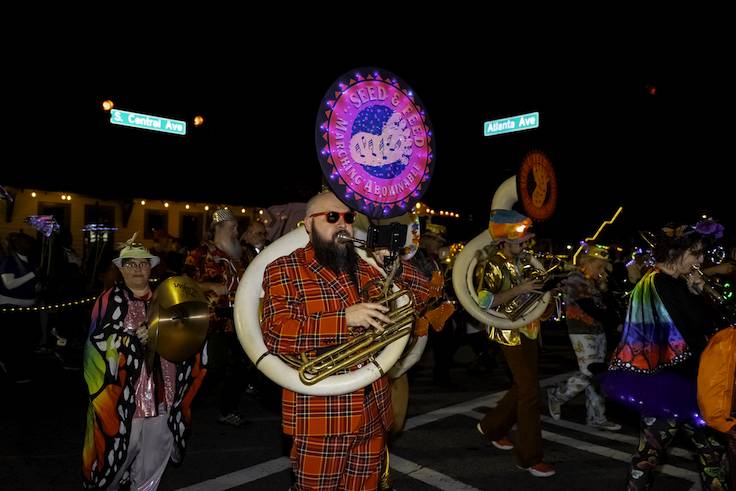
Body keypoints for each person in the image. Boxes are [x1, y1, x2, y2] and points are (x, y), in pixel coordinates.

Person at [260, 191, 430, 491]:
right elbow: (276, 333)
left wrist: (394, 266)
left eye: (349, 218)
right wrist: (344, 319)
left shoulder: (365, 265)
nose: (344, 224)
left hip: (374, 407)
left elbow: (426, 294)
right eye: (331, 217)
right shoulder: (283, 268)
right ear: (308, 225)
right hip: (322, 414)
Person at [606, 221, 729, 490]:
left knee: (706, 454)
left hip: (679, 383)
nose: (701, 260)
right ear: (676, 252)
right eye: (695, 253)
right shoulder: (662, 284)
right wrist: (699, 297)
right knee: (658, 455)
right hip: (672, 385)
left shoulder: (668, 281)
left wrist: (696, 292)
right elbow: (699, 328)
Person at [82, 234, 207, 490]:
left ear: (151, 267)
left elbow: (189, 335)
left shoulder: (167, 298)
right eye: (131, 264)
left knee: (155, 455)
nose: (138, 269)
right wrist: (129, 339)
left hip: (164, 392)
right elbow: (96, 342)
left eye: (143, 263)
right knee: (118, 455)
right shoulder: (110, 300)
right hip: (126, 398)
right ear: (120, 268)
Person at [473, 210, 556, 478]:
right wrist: (520, 290)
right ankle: (529, 458)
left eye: (525, 241)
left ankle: (491, 427)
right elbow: (484, 301)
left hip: (530, 330)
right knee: (530, 392)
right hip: (508, 333)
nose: (525, 246)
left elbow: (537, 289)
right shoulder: (492, 264)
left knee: (523, 387)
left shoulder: (524, 261)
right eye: (520, 242)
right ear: (503, 242)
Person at [184, 207, 250, 427]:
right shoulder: (200, 254)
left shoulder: (241, 255)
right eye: (232, 227)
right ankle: (184, 404)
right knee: (214, 367)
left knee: (243, 364)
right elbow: (184, 284)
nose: (236, 232)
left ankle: (227, 408)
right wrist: (209, 285)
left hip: (237, 318)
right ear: (218, 228)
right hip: (212, 319)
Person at [546, 244, 622, 430]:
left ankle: (596, 417)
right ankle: (557, 395)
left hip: (598, 330)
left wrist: (606, 286)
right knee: (590, 371)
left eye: (604, 267)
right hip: (581, 330)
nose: (602, 270)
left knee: (598, 372)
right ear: (587, 263)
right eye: (599, 266)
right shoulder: (576, 279)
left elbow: (606, 305)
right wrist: (615, 323)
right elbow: (588, 307)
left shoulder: (594, 280)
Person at [0, 232, 40, 383]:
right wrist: (32, 275)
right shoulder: (9, 261)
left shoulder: (30, 261)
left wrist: (38, 285)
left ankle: (21, 368)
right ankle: (13, 370)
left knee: (26, 341)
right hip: (11, 307)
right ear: (17, 245)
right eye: (26, 242)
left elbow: (32, 282)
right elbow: (9, 284)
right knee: (14, 342)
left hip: (28, 308)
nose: (29, 245)